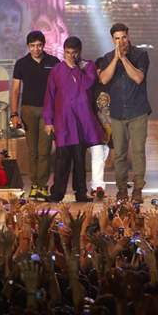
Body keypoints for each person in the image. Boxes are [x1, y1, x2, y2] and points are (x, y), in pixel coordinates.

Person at [43, 36, 103, 202]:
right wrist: (48, 120)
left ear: (79, 53)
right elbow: (49, 96)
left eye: (73, 53)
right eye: (67, 53)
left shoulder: (87, 66)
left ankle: (80, 193)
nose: (70, 56)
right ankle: (57, 193)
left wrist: (74, 68)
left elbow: (86, 85)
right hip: (63, 122)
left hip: (81, 122)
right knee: (62, 160)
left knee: (79, 159)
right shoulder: (56, 70)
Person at [99, 23, 152, 203]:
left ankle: (137, 189)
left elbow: (138, 78)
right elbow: (104, 79)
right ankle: (122, 189)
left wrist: (124, 59)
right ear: (112, 40)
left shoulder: (140, 55)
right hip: (117, 113)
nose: (120, 41)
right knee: (119, 154)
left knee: (138, 152)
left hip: (138, 111)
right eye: (117, 38)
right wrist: (115, 59)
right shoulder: (107, 58)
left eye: (123, 37)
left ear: (128, 36)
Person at [11, 31, 60, 201]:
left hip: (48, 111)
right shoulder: (21, 64)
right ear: (28, 46)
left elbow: (59, 89)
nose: (36, 49)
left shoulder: (53, 62)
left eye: (39, 45)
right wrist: (14, 114)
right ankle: (34, 185)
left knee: (44, 150)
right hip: (28, 110)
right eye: (32, 46)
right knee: (33, 151)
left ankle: (43, 185)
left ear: (44, 45)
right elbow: (16, 90)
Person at [89, 57, 112, 199]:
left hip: (110, 128)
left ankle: (94, 186)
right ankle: (98, 186)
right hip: (95, 128)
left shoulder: (113, 87)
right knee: (97, 156)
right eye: (98, 70)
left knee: (103, 156)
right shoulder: (91, 87)